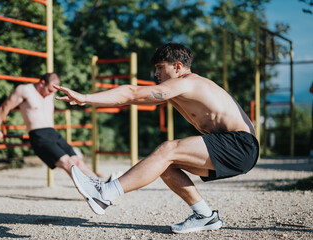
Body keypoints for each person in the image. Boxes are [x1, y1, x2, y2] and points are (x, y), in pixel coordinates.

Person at [54, 43, 259, 234]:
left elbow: (132, 93)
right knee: (163, 164)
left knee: (168, 149)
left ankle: (104, 194)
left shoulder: (188, 83)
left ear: (178, 67)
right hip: (237, 148)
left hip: (240, 145)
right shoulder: (179, 89)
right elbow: (131, 98)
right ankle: (205, 215)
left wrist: (85, 98)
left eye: (160, 67)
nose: (156, 73)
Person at [0, 73, 96, 178]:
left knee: (78, 161)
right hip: (38, 135)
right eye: (49, 90)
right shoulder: (24, 90)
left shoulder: (50, 93)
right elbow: (4, 107)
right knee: (68, 163)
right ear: (42, 83)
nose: (50, 94)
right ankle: (92, 192)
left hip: (53, 133)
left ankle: (101, 185)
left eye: (53, 92)